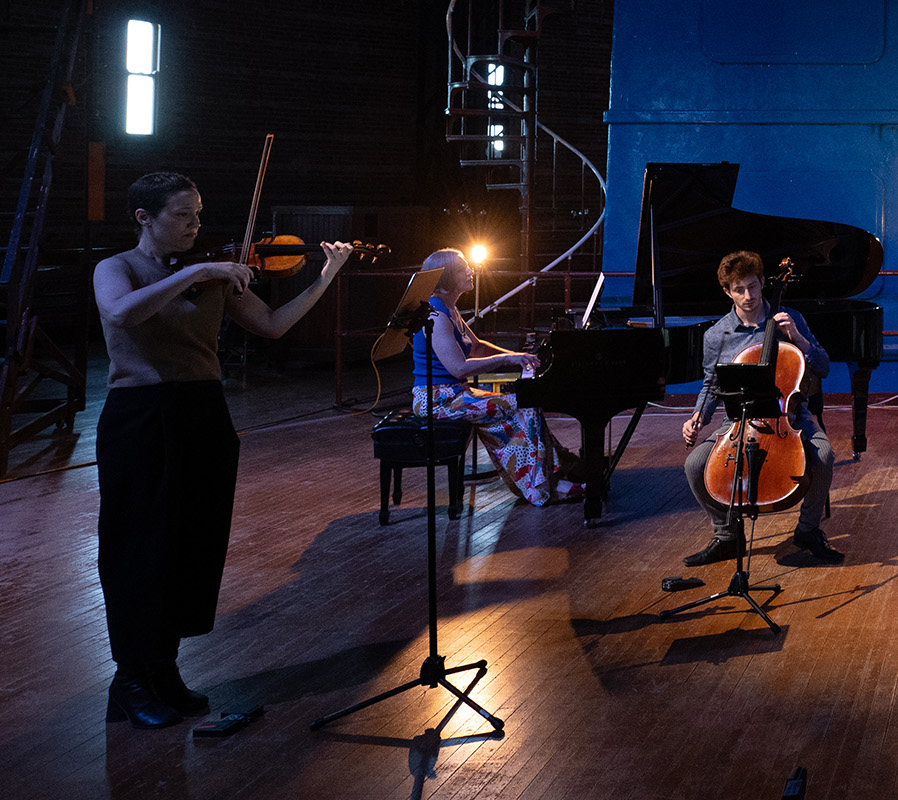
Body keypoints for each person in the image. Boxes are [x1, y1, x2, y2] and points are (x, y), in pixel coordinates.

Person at [94, 172, 353, 729]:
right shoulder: (117, 268)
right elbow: (120, 313)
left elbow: (271, 324)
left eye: (199, 214)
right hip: (140, 418)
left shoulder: (211, 274)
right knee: (140, 546)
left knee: (194, 544)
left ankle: (164, 669)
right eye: (183, 214)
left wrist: (327, 276)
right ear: (145, 217)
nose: (196, 224)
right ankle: (130, 679)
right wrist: (198, 271)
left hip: (202, 414)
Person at [680, 250, 842, 566]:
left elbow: (823, 367)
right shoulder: (717, 335)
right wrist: (697, 418)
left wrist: (797, 338)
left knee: (824, 456)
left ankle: (807, 531)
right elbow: (711, 387)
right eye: (739, 289)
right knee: (694, 466)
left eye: (753, 286)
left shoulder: (790, 319)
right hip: (737, 422)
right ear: (727, 291)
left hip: (789, 417)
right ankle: (727, 536)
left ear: (763, 283)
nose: (749, 296)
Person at [410, 248, 581, 506]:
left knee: (520, 405)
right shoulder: (435, 315)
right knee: (523, 403)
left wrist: (517, 354)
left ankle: (550, 477)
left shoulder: (450, 310)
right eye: (462, 269)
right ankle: (548, 483)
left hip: (455, 393)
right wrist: (507, 360)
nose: (470, 272)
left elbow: (477, 347)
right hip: (437, 399)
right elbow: (459, 368)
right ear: (445, 279)